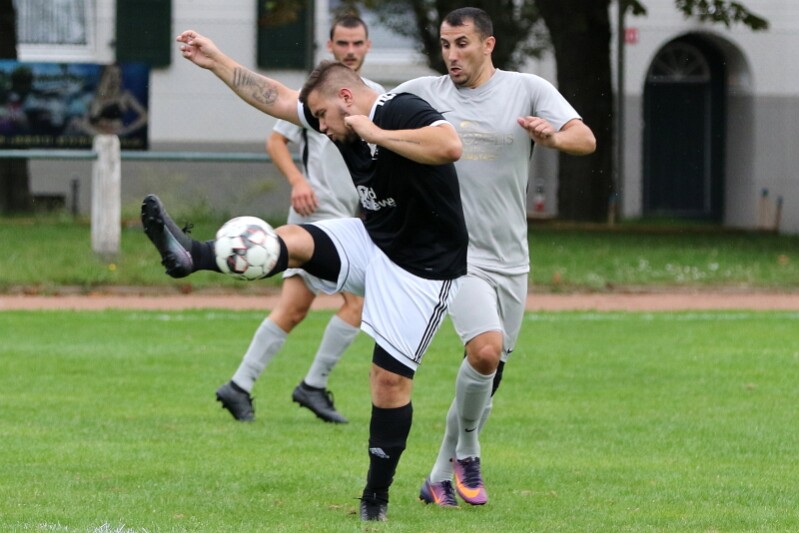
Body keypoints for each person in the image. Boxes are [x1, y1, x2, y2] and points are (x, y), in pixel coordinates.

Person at [142, 30, 467, 521]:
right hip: (373, 241)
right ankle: (194, 256)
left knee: (387, 382)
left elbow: (449, 145)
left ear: (345, 97)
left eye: (321, 117)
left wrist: (376, 135)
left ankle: (375, 499)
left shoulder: (398, 109)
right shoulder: (334, 118)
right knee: (293, 239)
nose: (320, 127)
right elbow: (274, 97)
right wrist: (216, 61)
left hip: (424, 269)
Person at [390, 7, 596, 508]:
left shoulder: (526, 88)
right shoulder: (423, 94)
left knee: (487, 375)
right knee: (484, 352)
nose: (452, 54)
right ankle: (469, 451)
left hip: (511, 257)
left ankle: (439, 476)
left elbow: (585, 138)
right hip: (455, 254)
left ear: (488, 45)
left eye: (462, 43)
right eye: (445, 44)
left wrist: (553, 136)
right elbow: (359, 107)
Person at [214, 14, 384, 425]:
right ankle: (312, 384)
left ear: (368, 46)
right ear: (330, 46)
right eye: (342, 43)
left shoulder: (377, 97)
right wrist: (297, 181)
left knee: (293, 310)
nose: (350, 51)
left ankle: (239, 385)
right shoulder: (317, 94)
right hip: (315, 214)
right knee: (359, 303)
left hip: (347, 218)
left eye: (357, 43)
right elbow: (276, 140)